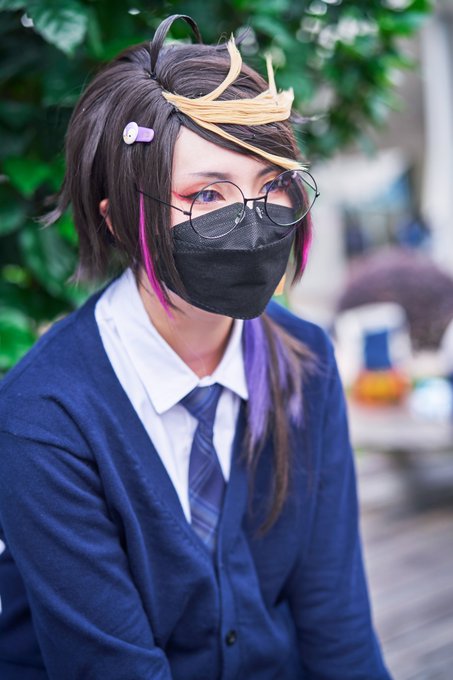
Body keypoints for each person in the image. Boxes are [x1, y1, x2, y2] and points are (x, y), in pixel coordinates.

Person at [0, 14, 392, 680]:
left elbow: (336, 624)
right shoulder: (42, 419)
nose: (253, 217)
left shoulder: (308, 363)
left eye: (271, 184)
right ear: (119, 219)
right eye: (207, 193)